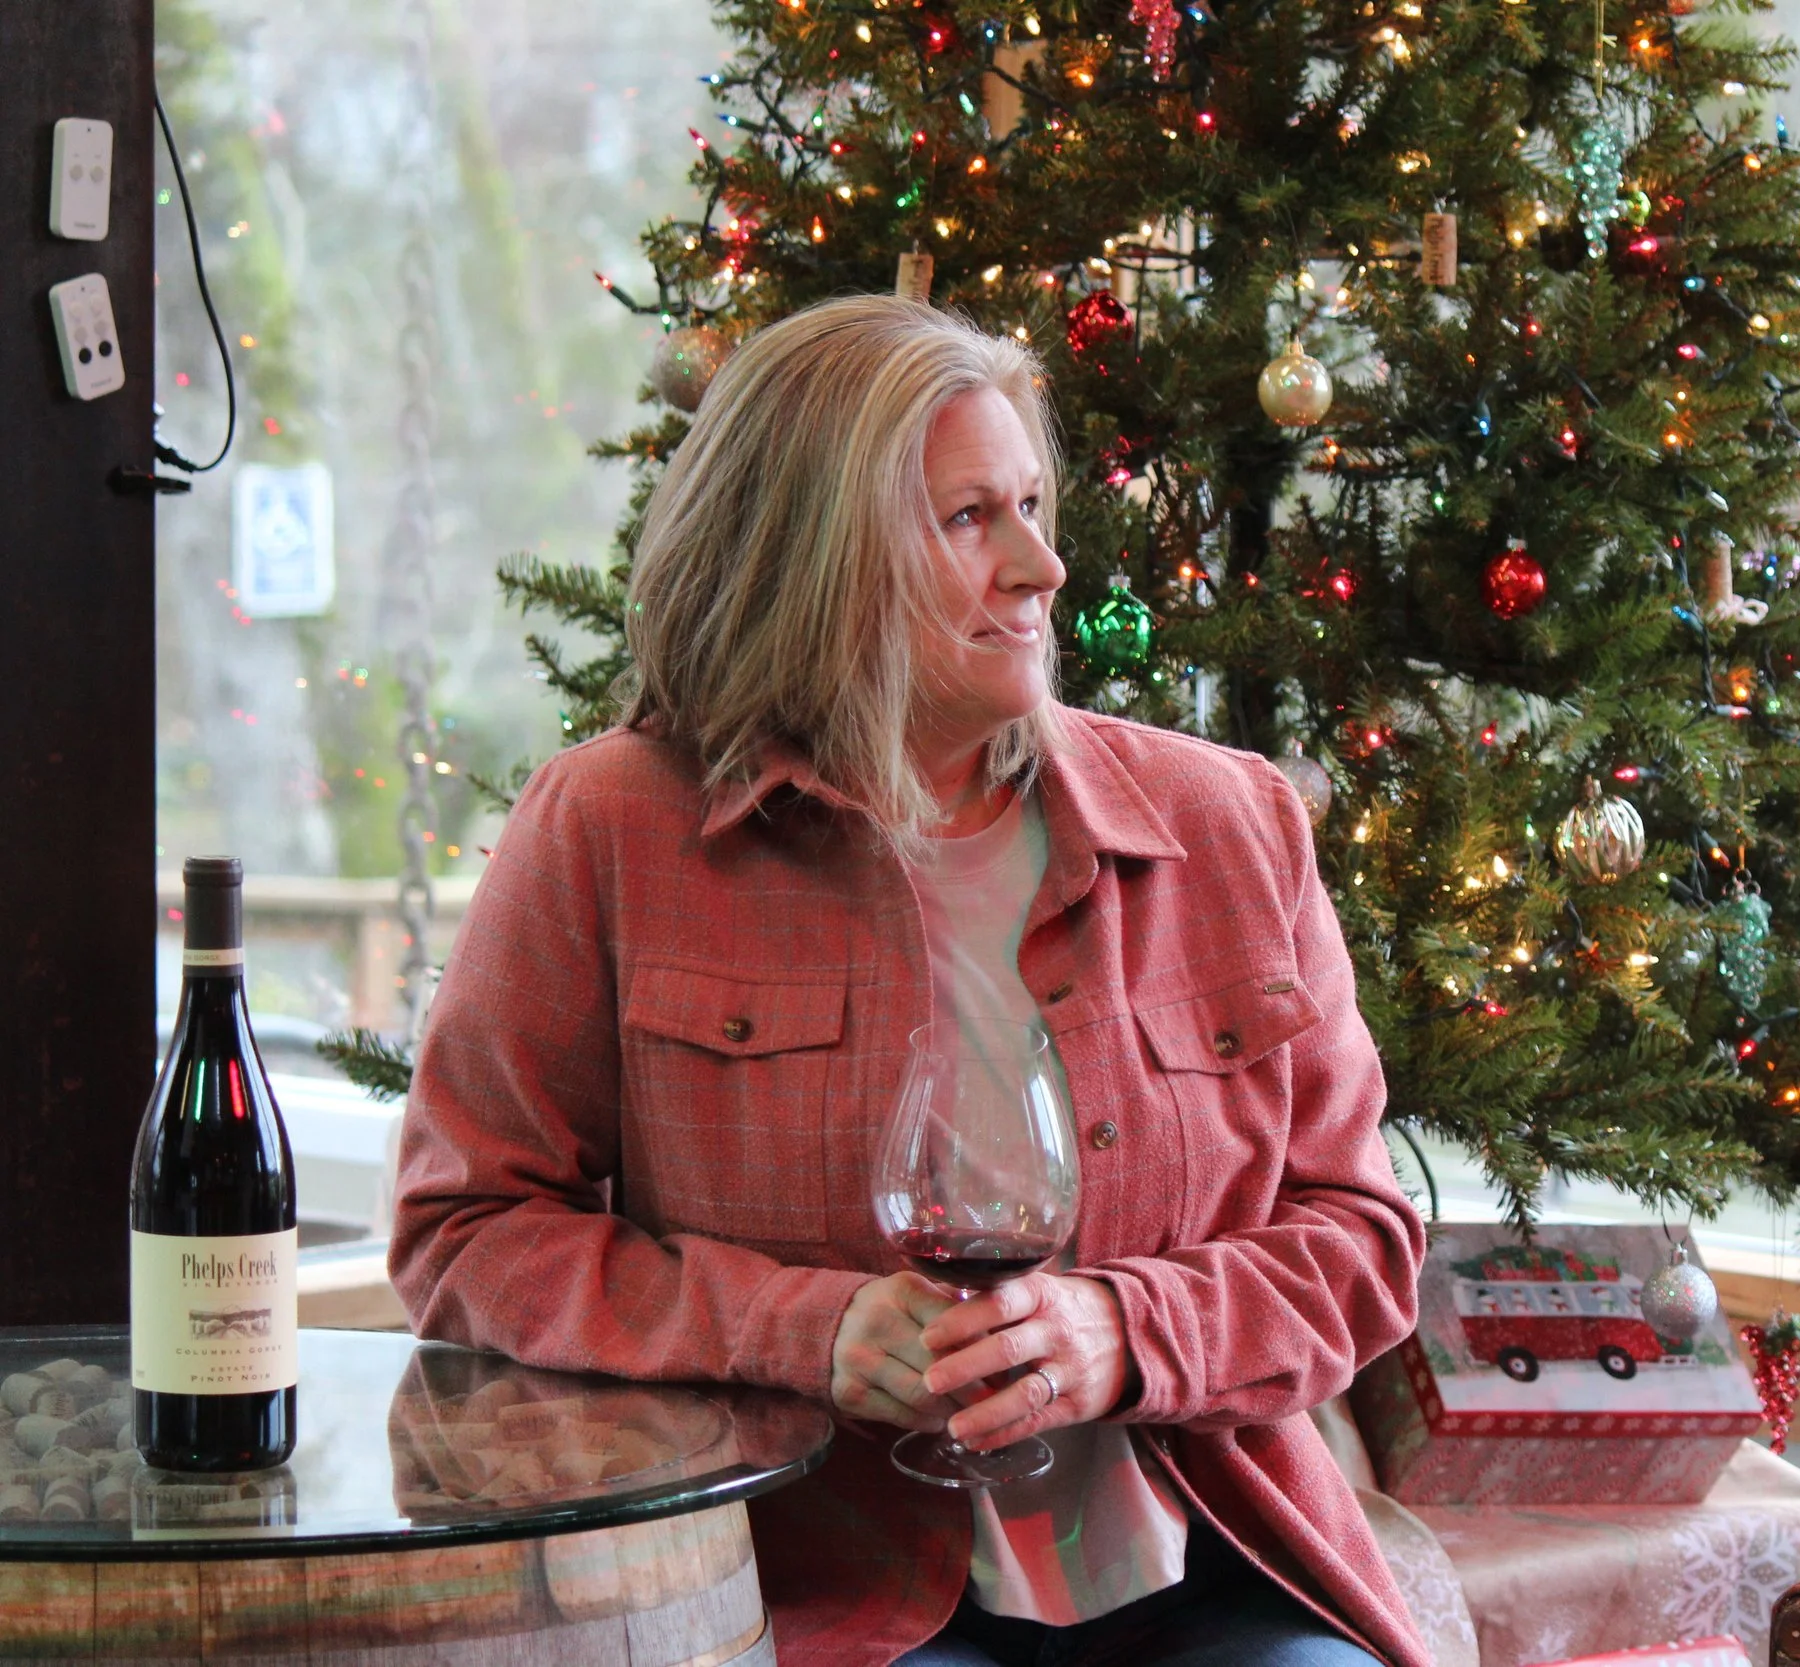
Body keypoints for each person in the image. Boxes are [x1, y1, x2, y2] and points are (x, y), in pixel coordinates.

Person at [389, 295, 1429, 1667]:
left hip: (1212, 1568)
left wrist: (1127, 1331)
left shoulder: (1226, 822)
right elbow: (467, 1230)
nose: (1042, 565)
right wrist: (801, 1330)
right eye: (968, 519)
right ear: (816, 557)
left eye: (1033, 504)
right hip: (831, 1586)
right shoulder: (612, 829)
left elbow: (1360, 1237)